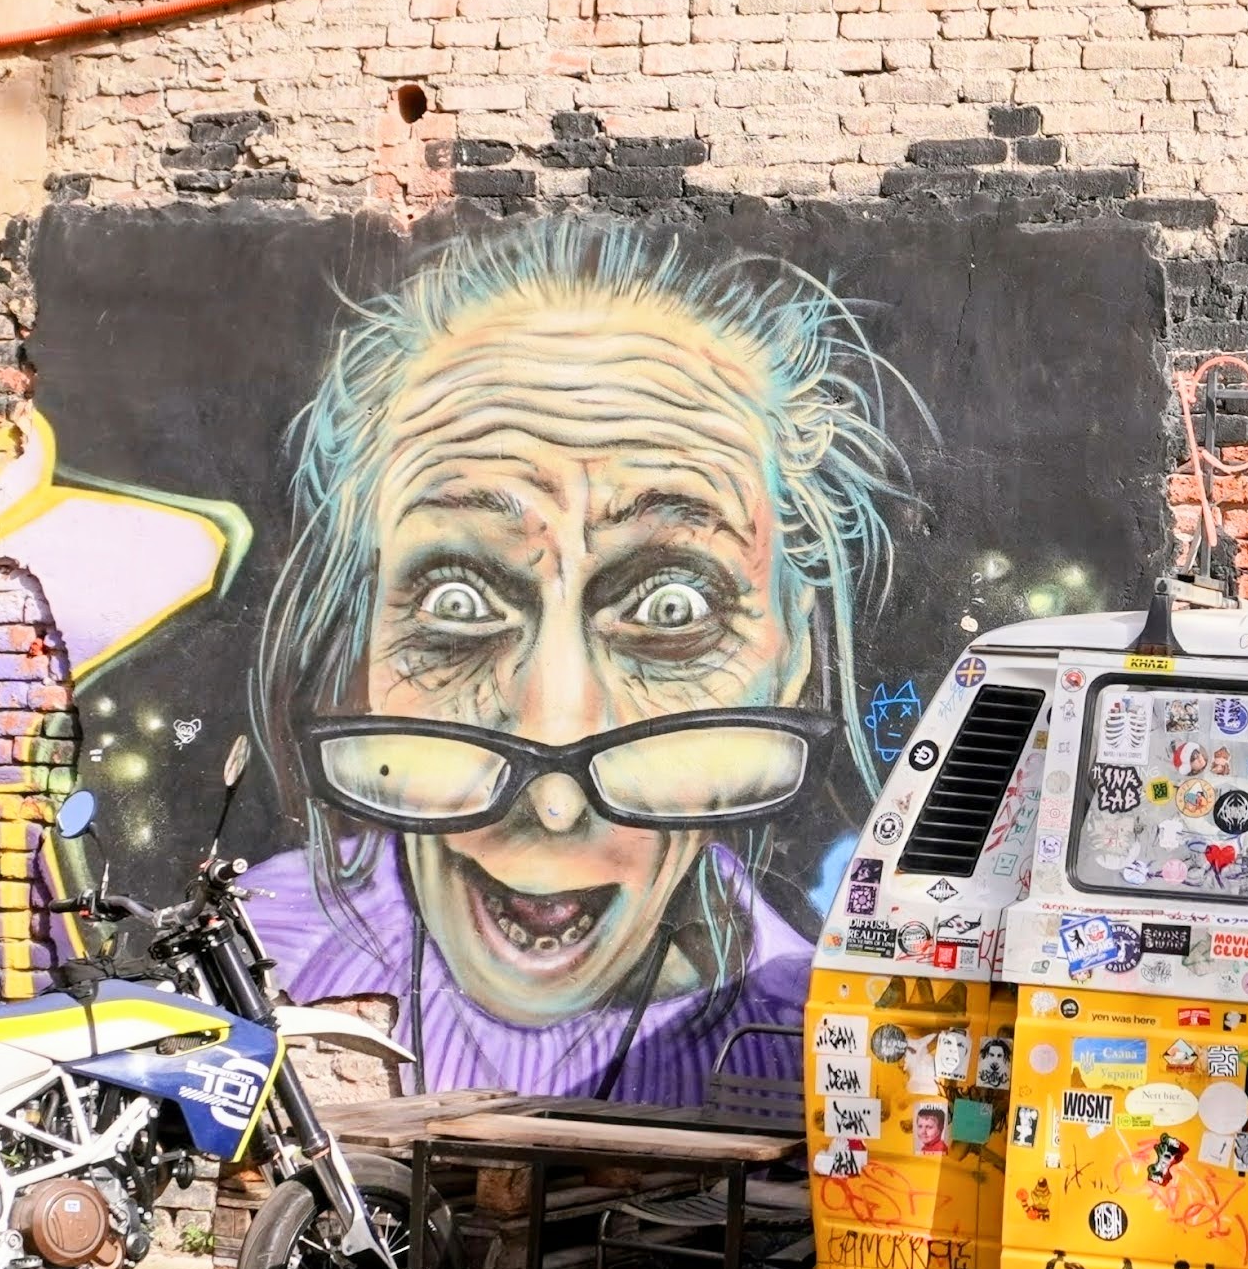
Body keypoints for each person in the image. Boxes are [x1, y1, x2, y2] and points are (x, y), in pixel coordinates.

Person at [236, 212, 921, 1105]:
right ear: (361, 637)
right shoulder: (253, 967)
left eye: (672, 609)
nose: (553, 800)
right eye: (458, 601)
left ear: (789, 655)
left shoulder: (807, 1062)